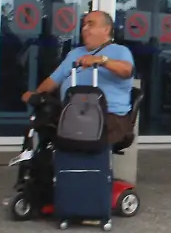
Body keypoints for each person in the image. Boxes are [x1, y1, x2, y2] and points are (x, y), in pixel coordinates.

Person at [23, 10, 136, 146]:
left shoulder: (119, 51)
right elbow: (53, 80)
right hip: (73, 111)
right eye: (83, 25)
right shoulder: (75, 53)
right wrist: (35, 95)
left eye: (91, 24)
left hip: (108, 116)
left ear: (106, 29)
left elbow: (127, 70)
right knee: (42, 120)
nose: (84, 29)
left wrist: (101, 60)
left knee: (71, 132)